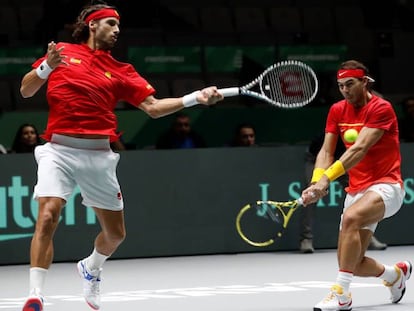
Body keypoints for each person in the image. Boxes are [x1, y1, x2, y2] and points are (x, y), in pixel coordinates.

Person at [19, 2, 223, 311]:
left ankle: (92, 267)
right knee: (47, 215)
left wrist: (195, 98)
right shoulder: (60, 52)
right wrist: (46, 66)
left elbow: (153, 108)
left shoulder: (121, 70)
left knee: (115, 235)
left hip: (99, 155)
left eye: (118, 25)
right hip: (58, 150)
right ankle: (36, 295)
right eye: (111, 24)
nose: (117, 30)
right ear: (92, 25)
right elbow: (25, 90)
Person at [301, 60, 411, 310]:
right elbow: (327, 150)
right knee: (351, 262)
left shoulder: (381, 108)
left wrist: (327, 178)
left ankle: (342, 295)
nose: (345, 90)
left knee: (350, 219)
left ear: (365, 82)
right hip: (357, 190)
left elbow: (359, 149)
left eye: (350, 84)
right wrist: (317, 180)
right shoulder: (337, 110)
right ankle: (395, 275)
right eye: (340, 86)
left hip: (387, 187)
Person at [300, 132, 388, 253]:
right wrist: (317, 182)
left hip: (342, 161)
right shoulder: (335, 130)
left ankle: (366, 237)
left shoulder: (364, 134)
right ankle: (306, 239)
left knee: (360, 195)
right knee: (311, 196)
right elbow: (325, 153)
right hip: (316, 159)